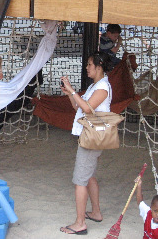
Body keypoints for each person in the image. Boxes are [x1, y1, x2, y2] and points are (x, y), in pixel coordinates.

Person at [59, 52, 113, 235]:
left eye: (90, 64)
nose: (87, 68)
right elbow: (78, 107)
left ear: (99, 66)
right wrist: (70, 94)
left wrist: (73, 91)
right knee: (89, 176)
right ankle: (96, 212)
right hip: (92, 136)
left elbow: (87, 109)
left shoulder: (102, 87)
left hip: (92, 138)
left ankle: (80, 223)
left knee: (80, 180)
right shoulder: (96, 86)